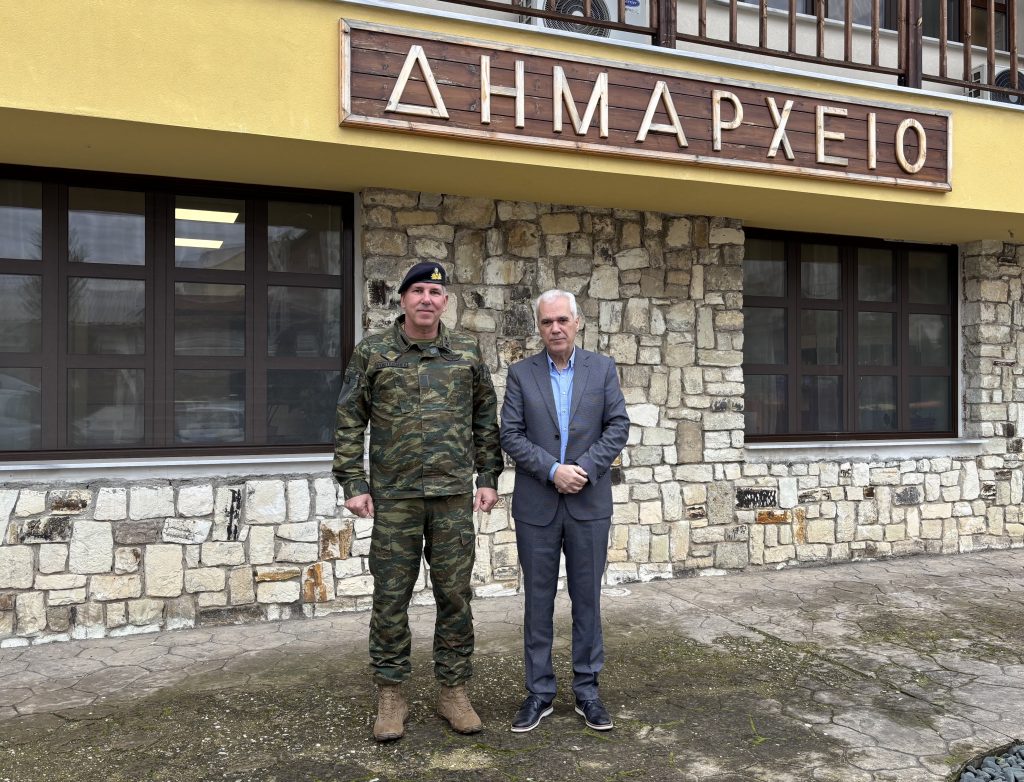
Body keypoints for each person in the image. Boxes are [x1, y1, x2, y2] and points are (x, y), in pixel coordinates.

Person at [333, 262, 502, 742]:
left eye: (435, 292)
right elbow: (349, 418)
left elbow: (485, 416)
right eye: (418, 291)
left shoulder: (466, 351)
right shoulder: (373, 352)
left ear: (445, 302)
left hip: (452, 496)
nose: (427, 299)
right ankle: (391, 694)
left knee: (455, 595)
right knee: (391, 597)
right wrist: (353, 482)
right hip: (395, 498)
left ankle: (453, 691)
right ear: (403, 299)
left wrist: (488, 475)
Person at [499, 289, 630, 733]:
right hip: (537, 505)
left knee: (587, 599)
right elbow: (510, 434)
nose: (554, 328)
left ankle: (588, 692)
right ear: (539, 327)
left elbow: (618, 426)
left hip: (588, 505)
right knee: (537, 602)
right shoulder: (521, 374)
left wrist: (585, 470)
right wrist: (553, 470)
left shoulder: (602, 369)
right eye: (546, 322)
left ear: (577, 323)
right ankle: (539, 693)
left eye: (562, 320)